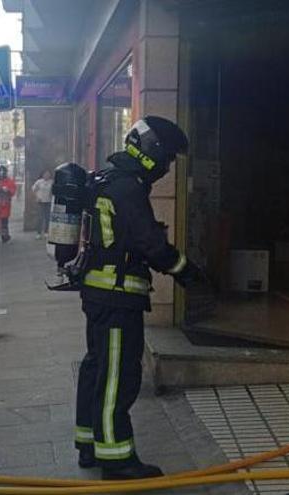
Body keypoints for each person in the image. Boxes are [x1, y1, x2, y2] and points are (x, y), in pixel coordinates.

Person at [74, 116, 203, 480]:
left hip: (100, 293)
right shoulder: (129, 188)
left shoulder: (108, 178)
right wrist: (186, 271)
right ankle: (116, 460)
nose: (167, 167)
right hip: (117, 297)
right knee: (118, 374)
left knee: (96, 366)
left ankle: (89, 443)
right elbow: (150, 243)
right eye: (168, 158)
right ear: (153, 151)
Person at [0, 165, 17, 243]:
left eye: (3, 172)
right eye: (0, 172)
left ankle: (5, 236)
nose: (1, 173)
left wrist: (7, 190)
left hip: (5, 205)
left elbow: (13, 191)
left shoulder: (9, 181)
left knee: (4, 222)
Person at [31, 169, 53, 239]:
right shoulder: (39, 182)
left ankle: (46, 232)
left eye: (48, 174)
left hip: (48, 201)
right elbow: (33, 190)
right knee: (40, 218)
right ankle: (38, 233)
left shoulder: (52, 182)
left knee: (47, 218)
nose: (46, 175)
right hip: (40, 202)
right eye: (45, 174)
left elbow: (53, 191)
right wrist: (37, 197)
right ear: (42, 175)